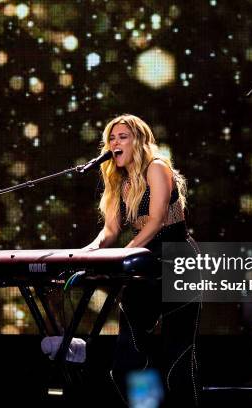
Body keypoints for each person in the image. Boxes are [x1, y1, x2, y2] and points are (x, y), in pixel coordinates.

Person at [84, 114, 201, 406]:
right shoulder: (117, 180)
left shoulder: (157, 167)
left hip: (177, 262)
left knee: (177, 365)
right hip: (145, 264)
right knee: (126, 362)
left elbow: (158, 220)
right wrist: (88, 252)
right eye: (111, 138)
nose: (115, 143)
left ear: (139, 141)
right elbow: (110, 230)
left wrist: (128, 252)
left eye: (122, 137)